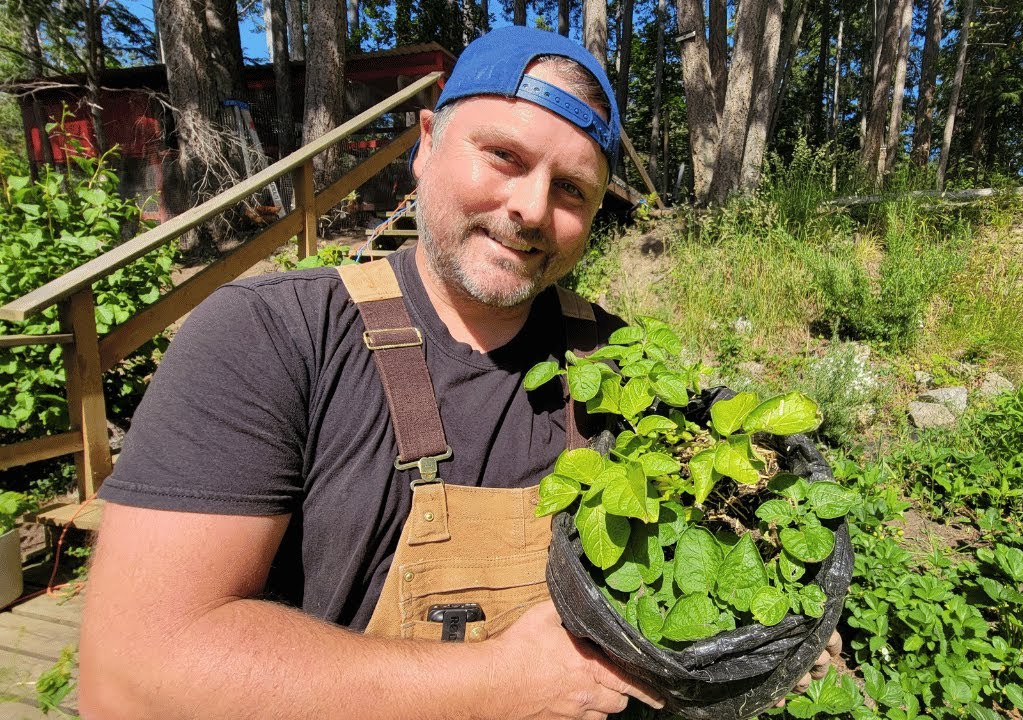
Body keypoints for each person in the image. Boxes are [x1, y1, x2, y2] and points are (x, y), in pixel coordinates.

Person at [80, 26, 831, 720]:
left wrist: (773, 617)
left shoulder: (617, 362)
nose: (532, 209)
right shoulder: (275, 337)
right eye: (503, 156)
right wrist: (502, 683)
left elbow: (706, 545)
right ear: (428, 142)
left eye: (572, 190)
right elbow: (131, 677)